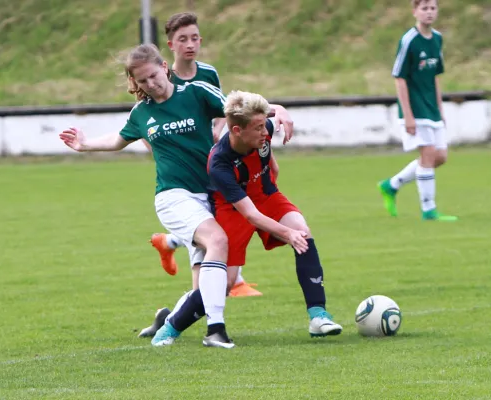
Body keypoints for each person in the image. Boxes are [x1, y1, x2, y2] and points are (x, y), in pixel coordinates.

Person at [148, 91, 342, 347]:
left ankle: (318, 316)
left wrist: (281, 110)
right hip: (234, 208)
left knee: (302, 231)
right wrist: (286, 234)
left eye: (265, 125)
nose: (265, 132)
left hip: (266, 194)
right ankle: (171, 326)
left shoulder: (263, 130)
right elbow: (250, 214)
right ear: (237, 130)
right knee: (224, 283)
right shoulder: (219, 163)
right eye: (258, 127)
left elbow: (272, 160)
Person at [145, 12, 274, 297]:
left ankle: (172, 246)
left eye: (194, 38)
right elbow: (149, 123)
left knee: (222, 216)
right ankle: (212, 293)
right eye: (182, 39)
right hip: (184, 169)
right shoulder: (159, 79)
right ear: (171, 45)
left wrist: (221, 133)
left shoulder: (208, 73)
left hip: (214, 158)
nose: (190, 44)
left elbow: (224, 109)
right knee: (215, 224)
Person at [378, 0, 457, 221]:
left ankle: (391, 185)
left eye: (433, 8)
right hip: (415, 108)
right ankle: (428, 209)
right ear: (415, 12)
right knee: (428, 154)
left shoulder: (438, 39)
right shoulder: (409, 40)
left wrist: (440, 109)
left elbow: (435, 77)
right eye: (424, 8)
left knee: (440, 157)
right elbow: (399, 78)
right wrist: (408, 114)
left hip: (432, 108)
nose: (429, 12)